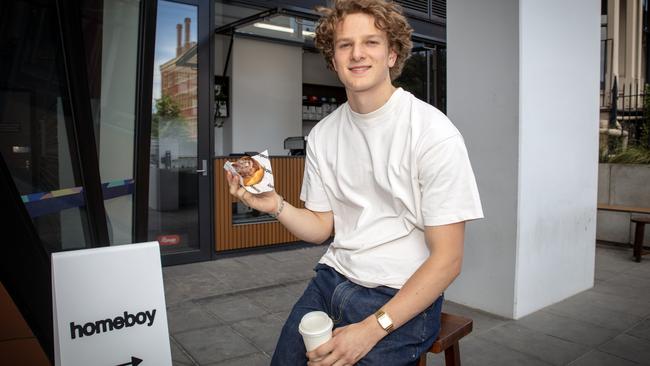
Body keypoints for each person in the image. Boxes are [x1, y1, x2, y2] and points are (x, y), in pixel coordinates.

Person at [225, 0, 484, 364]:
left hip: (402, 294)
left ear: (392, 54)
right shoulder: (323, 135)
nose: (357, 54)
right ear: (333, 59)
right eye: (345, 45)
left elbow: (448, 260)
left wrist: (372, 329)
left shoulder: (432, 133)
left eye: (371, 42)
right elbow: (320, 228)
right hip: (332, 280)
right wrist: (275, 204)